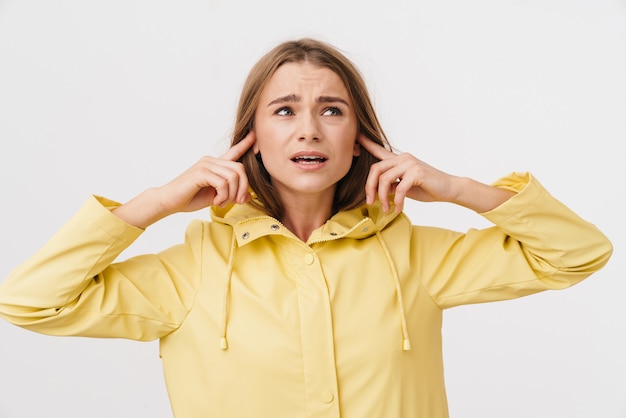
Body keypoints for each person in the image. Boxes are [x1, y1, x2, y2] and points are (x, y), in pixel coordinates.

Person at [0, 38, 613, 418]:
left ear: (359, 137)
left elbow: (579, 254)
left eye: (332, 111)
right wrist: (152, 204)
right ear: (254, 138)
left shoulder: (417, 254)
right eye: (285, 110)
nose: (309, 131)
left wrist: (458, 190)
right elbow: (27, 302)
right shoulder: (190, 270)